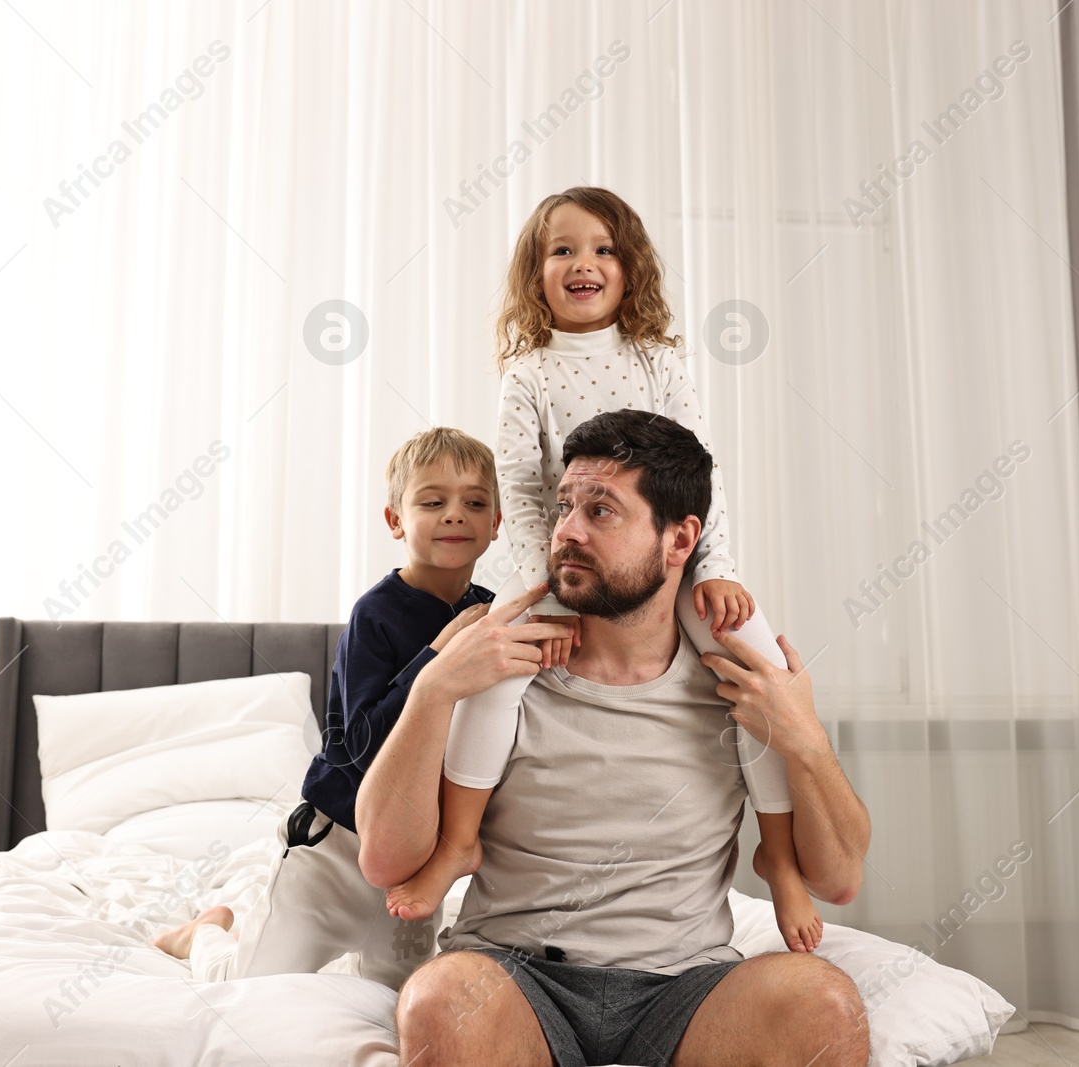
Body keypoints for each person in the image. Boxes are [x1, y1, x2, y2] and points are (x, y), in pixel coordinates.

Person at [357, 410, 873, 1067]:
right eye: (564, 505)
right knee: (437, 997)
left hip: (689, 988)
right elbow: (384, 860)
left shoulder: (736, 678)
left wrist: (806, 736)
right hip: (517, 975)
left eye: (601, 511)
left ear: (680, 539)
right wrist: (430, 691)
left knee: (824, 1004)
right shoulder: (503, 656)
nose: (566, 530)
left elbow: (840, 877)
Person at [383, 186, 823, 955]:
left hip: (660, 565)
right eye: (562, 250)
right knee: (495, 679)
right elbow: (520, 489)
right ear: (536, 273)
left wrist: (716, 567)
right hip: (567, 568)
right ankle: (459, 841)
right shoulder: (528, 375)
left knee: (752, 668)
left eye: (602, 249)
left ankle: (779, 857)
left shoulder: (658, 362)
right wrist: (537, 592)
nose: (582, 263)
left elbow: (700, 473)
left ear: (630, 270)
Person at [150, 427, 545, 990]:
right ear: (395, 521)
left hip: (415, 855)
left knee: (394, 995)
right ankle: (205, 934)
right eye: (433, 502)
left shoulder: (491, 615)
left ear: (497, 525)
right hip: (332, 846)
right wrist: (438, 657)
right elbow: (358, 744)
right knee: (248, 985)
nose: (456, 514)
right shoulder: (376, 616)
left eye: (475, 503)